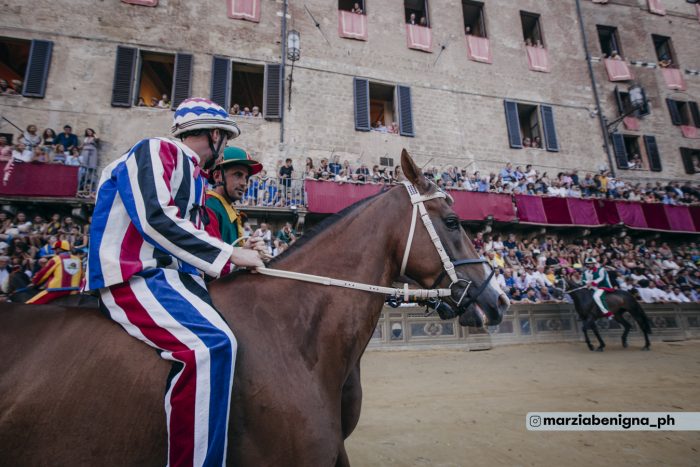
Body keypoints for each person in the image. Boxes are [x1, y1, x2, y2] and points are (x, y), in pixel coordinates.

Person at [86, 98, 265, 466]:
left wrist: (241, 261)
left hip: (174, 280)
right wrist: (231, 254)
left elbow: (196, 246)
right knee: (210, 347)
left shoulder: (195, 178)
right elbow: (155, 219)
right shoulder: (157, 149)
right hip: (135, 276)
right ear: (215, 135)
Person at [206, 146, 263, 246]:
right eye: (238, 174)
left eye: (246, 177)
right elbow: (211, 256)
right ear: (217, 176)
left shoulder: (226, 208)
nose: (244, 183)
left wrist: (247, 249)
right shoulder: (208, 206)